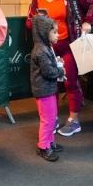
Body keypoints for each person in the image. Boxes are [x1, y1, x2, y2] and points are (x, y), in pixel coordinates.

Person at [26, 0, 93, 137]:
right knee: (49, 84)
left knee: (70, 82)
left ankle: (74, 120)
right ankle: (51, 120)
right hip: (48, 48)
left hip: (68, 45)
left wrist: (88, 21)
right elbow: (30, 21)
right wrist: (37, 22)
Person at [30, 15, 66, 162]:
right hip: (44, 90)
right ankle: (43, 146)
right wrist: (61, 71)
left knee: (51, 118)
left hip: (47, 89)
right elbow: (49, 72)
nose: (58, 35)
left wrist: (56, 62)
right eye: (55, 32)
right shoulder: (41, 50)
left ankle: (50, 142)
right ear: (45, 33)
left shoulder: (46, 47)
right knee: (48, 120)